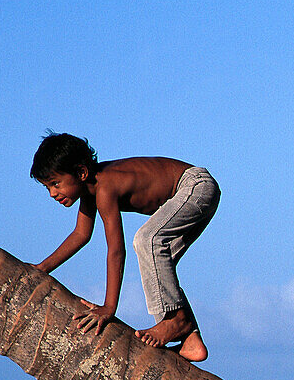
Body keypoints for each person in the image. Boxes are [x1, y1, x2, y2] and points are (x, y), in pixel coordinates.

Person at [30, 132, 219, 362]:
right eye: (47, 187)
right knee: (159, 261)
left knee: (147, 240)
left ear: (81, 173)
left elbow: (116, 251)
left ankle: (176, 321)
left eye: (55, 184)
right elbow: (80, 235)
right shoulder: (90, 191)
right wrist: (42, 267)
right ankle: (191, 341)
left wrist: (109, 308)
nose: (52, 193)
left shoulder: (106, 187)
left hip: (194, 186)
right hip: (192, 193)